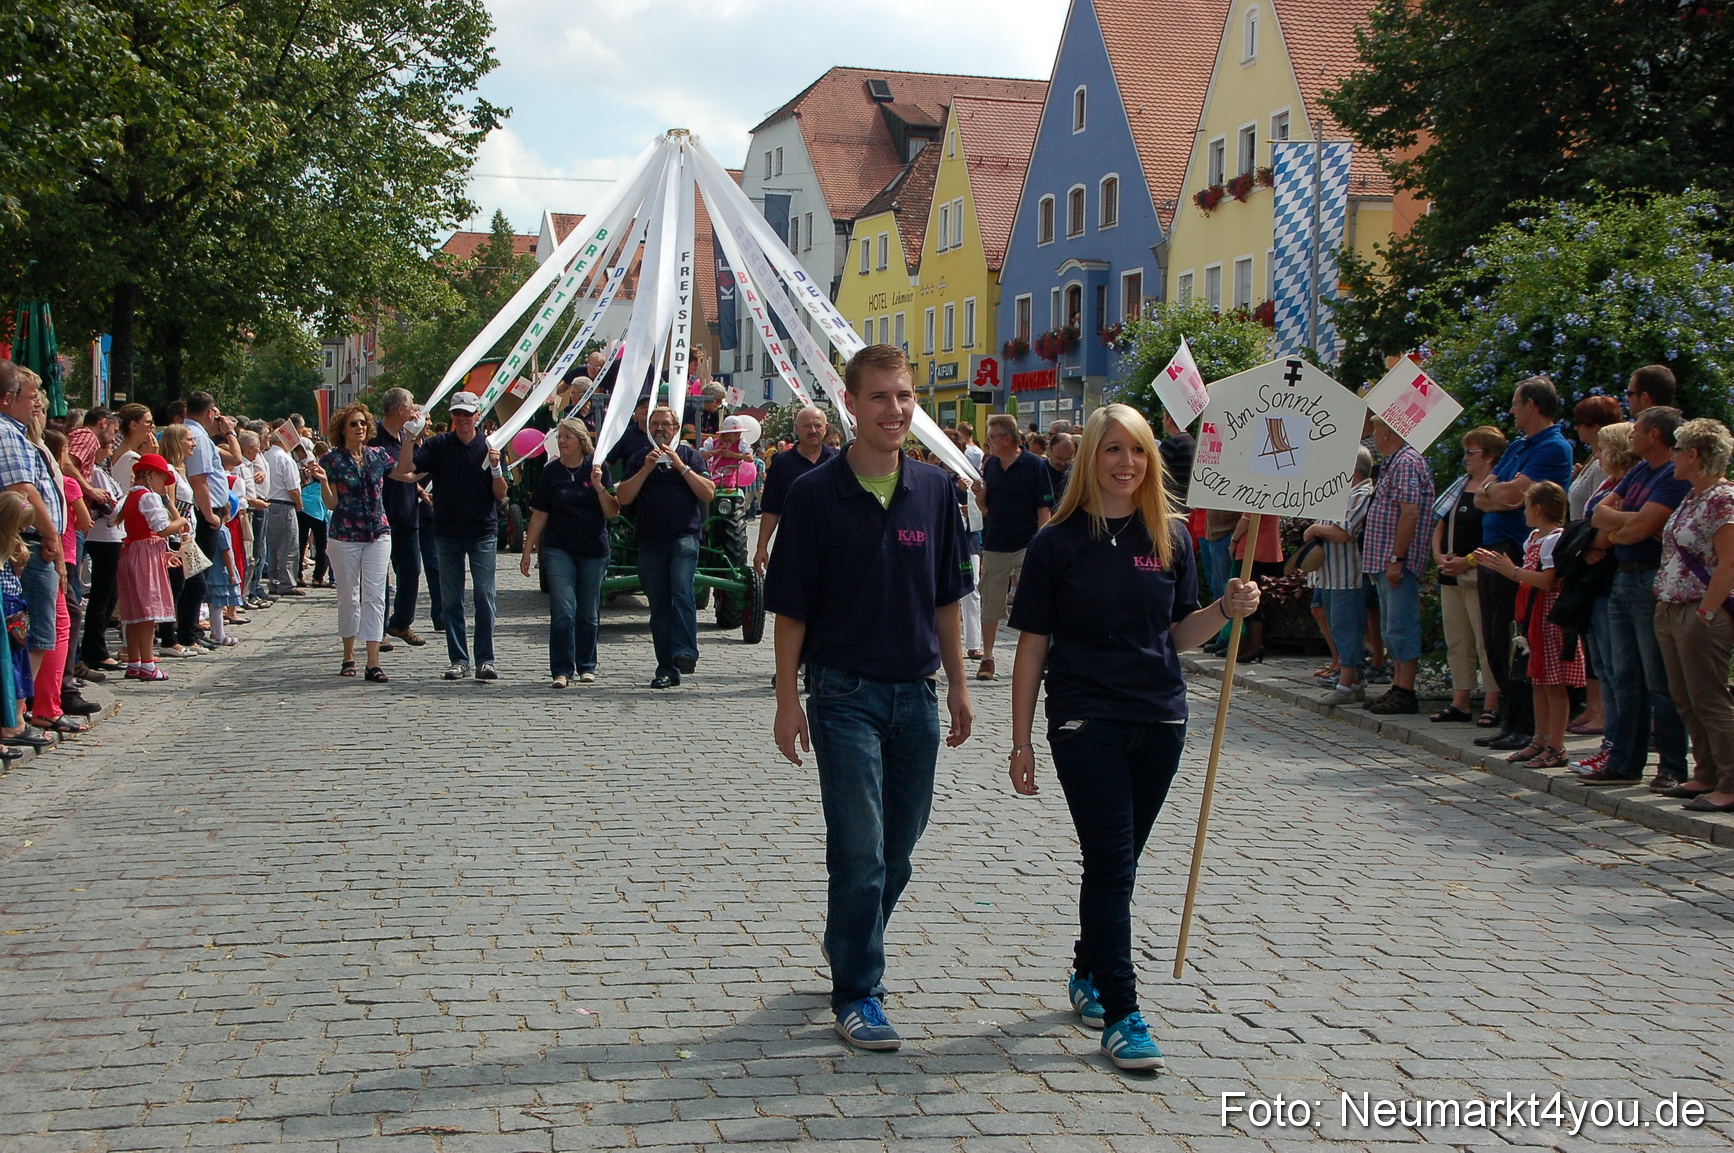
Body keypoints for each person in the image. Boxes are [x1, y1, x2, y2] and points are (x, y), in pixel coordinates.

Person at [1006, 403, 1259, 1071]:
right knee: (1114, 862)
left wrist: (1225, 612)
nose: (1125, 463)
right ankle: (1123, 1012)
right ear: (1090, 457)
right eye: (1113, 449)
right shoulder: (1055, 544)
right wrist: (1022, 738)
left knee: (1118, 863)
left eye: (1138, 451)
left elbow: (1178, 633)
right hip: (1085, 717)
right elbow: (1032, 646)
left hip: (1161, 718)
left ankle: (1089, 970)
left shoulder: (1168, 536)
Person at [765, 343, 973, 1053]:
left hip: (916, 693)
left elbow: (948, 602)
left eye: (904, 396)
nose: (895, 409)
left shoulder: (937, 492)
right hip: (841, 691)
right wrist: (787, 700)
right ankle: (858, 991)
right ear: (850, 405)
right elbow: (790, 609)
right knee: (861, 849)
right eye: (880, 397)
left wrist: (961, 689)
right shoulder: (813, 494)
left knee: (900, 848)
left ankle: (847, 935)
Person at [1585, 405, 1690, 787]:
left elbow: (1647, 525)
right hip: (1623, 578)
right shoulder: (1638, 472)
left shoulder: (1672, 476)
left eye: (1638, 429)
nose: (1631, 436)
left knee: (1658, 680)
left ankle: (1672, 767)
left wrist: (1627, 523)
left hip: (1650, 579)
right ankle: (1625, 763)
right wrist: (1630, 523)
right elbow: (1599, 513)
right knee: (1626, 676)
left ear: (1655, 435)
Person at [1473, 376, 1575, 751]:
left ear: (1532, 404)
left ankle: (1529, 725)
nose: (1512, 410)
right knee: (1495, 638)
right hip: (1494, 545)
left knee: (1519, 642)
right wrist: (1495, 493)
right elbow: (1485, 493)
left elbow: (1514, 494)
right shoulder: (1518, 445)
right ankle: (1511, 718)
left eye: (1516, 403)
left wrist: (1497, 492)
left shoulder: (1554, 447)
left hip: (1519, 550)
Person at [1651, 418, 1734, 811]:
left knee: (1710, 697)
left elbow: (1729, 562)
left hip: (1699, 610)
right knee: (1685, 697)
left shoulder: (1722, 498)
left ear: (1695, 454)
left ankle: (1731, 782)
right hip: (1671, 607)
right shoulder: (1692, 497)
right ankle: (1706, 772)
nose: (1673, 456)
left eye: (1678, 450)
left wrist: (1705, 610)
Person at [396, 392, 508, 681]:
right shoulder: (438, 445)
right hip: (447, 532)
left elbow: (502, 495)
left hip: (482, 530)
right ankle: (459, 659)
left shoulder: (490, 446)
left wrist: (496, 468)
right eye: (457, 414)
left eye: (467, 415)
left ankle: (485, 659)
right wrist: (409, 438)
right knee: (451, 599)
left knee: (484, 594)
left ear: (477, 416)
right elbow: (407, 468)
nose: (462, 420)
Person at [1474, 482, 1580, 768]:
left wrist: (1514, 571)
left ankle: (1557, 745)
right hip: (1531, 614)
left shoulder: (1553, 539)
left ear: (1538, 508)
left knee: (1554, 683)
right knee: (1537, 680)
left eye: (1527, 505)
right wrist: (1504, 569)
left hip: (1548, 616)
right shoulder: (1534, 537)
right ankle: (1540, 738)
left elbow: (1547, 581)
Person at [616, 404, 715, 687]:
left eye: (665, 424)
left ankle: (686, 652)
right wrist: (647, 468)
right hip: (650, 540)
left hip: (684, 537)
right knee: (658, 606)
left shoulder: (690, 456)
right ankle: (666, 668)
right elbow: (623, 497)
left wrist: (681, 467)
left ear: (676, 429)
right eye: (654, 424)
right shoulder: (639, 457)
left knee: (682, 591)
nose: (659, 428)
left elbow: (708, 492)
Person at [520, 419, 618, 687]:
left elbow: (612, 511)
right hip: (558, 548)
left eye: (567, 437)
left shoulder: (596, 469)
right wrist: (527, 550)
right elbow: (540, 513)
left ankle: (586, 665)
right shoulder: (551, 472)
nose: (562, 441)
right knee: (563, 610)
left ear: (580, 440)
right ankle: (561, 670)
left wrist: (598, 486)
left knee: (587, 612)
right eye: (560, 437)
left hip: (593, 549)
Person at [320, 404, 414, 683]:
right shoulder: (333, 460)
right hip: (345, 535)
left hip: (378, 532)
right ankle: (348, 656)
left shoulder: (377, 455)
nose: (359, 427)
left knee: (375, 596)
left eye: (362, 423)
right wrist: (324, 481)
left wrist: (409, 440)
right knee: (349, 597)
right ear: (342, 429)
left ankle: (373, 662)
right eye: (353, 424)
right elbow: (331, 502)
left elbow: (404, 471)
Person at [0, 364, 69, 720]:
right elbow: (23, 490)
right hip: (29, 542)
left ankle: (20, 711)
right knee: (34, 633)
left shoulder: (18, 433)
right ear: (9, 398)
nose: (37, 405)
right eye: (31, 398)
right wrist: (51, 534)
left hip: (31, 539)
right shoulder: (7, 433)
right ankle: (17, 713)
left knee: (37, 631)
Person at [1568, 422, 1635, 776]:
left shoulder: (1626, 484)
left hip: (1609, 577)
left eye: (1603, 448)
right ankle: (1609, 743)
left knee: (1615, 668)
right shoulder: (1608, 483)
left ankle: (1617, 745)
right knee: (1604, 668)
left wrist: (1590, 540)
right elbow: (1593, 520)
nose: (1597, 454)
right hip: (1591, 579)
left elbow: (1605, 532)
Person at [1429, 426, 1506, 726]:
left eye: (1471, 453)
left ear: (1488, 456)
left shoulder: (1496, 488)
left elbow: (1496, 536)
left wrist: (1468, 561)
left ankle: (1492, 701)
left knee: (1485, 641)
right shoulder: (1460, 485)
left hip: (1480, 574)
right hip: (1451, 573)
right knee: (1457, 640)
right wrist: (1438, 555)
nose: (1465, 458)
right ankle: (1459, 701)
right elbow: (1441, 522)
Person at [970, 413, 1055, 680]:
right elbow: (986, 510)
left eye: (992, 437)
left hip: (1027, 544)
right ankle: (987, 657)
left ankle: (1041, 657)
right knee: (991, 605)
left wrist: (1044, 542)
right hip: (996, 544)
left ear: (1007, 439)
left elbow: (1044, 508)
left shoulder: (1034, 465)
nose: (989, 442)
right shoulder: (991, 465)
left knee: (1037, 602)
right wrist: (980, 496)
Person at [1360, 418, 1436, 714]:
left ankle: (1406, 689)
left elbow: (1410, 513)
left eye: (1376, 430)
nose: (1373, 435)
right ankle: (1398, 685)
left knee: (1401, 625)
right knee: (1391, 627)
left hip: (1395, 562)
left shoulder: (1406, 461)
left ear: (1387, 432)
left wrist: (1397, 558)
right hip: (1383, 560)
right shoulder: (1394, 462)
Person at [1307, 447, 1375, 705]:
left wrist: (1315, 528)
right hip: (1332, 574)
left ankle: (1346, 684)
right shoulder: (1343, 492)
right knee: (1338, 625)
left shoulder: (1361, 493)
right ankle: (1353, 679)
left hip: (1347, 574)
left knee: (1346, 627)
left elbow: (1342, 532)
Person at [115, 453, 187, 681]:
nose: (162, 485)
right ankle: (147, 662)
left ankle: (135, 661)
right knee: (147, 612)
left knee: (134, 612)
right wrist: (181, 522)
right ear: (150, 475)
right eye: (161, 478)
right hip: (144, 555)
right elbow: (161, 528)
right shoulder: (148, 497)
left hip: (132, 552)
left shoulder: (130, 496)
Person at [372, 387, 429, 648]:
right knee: (379, 577)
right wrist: (421, 475)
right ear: (400, 410)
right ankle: (378, 629)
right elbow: (399, 472)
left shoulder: (401, 438)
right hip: (381, 515)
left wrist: (418, 489)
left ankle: (401, 623)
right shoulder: (374, 438)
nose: (415, 410)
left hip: (406, 513)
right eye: (411, 406)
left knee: (411, 571)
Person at [175, 392, 230, 654]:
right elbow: (199, 480)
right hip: (201, 513)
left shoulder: (196, 434)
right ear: (209, 412)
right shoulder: (194, 435)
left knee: (199, 576)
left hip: (211, 509)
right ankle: (187, 631)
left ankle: (192, 629)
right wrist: (209, 514)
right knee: (196, 577)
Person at [753, 405, 836, 575]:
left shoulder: (840, 461)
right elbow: (771, 509)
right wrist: (761, 548)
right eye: (806, 426)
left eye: (818, 425)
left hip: (834, 549)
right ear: (797, 428)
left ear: (825, 428)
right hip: (794, 547)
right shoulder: (782, 463)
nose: (813, 430)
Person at [261, 425, 305, 597]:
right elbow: (293, 488)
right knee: (288, 546)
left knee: (272, 546)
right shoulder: (286, 459)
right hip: (284, 504)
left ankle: (274, 581)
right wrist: (299, 504)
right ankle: (287, 583)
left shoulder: (266, 456)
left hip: (268, 503)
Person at [1047, 432, 1076, 499]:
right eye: (1059, 458)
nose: (1062, 463)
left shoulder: (1075, 474)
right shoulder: (1039, 470)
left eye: (1068, 459)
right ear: (1050, 450)